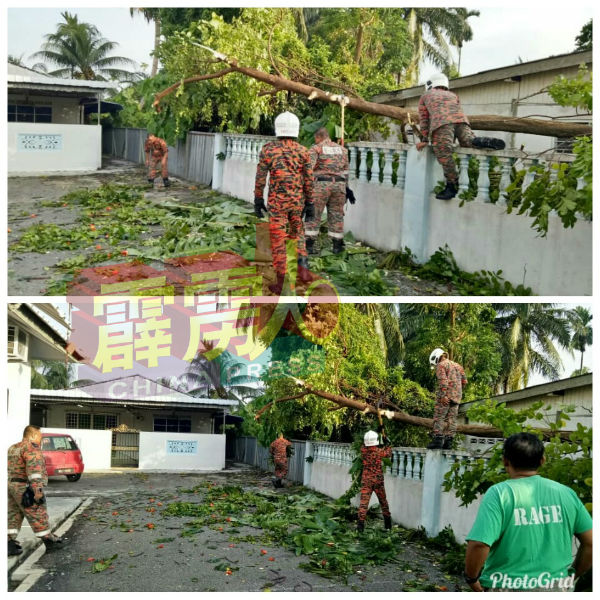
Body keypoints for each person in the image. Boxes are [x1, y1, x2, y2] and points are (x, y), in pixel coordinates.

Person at [464, 433, 593, 592]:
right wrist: (571, 576)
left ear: (505, 461)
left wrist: (471, 578)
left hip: (507, 586)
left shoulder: (499, 494)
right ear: (542, 461)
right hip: (556, 587)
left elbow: (479, 544)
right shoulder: (566, 494)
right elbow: (591, 543)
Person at [416, 73, 505, 200]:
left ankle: (452, 186)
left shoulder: (425, 96)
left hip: (442, 122)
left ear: (430, 84)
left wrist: (424, 139)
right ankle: (479, 140)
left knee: (444, 153)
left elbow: (424, 119)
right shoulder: (453, 95)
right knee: (468, 141)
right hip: (462, 121)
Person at [254, 111, 315, 294]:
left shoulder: (268, 150)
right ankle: (304, 271)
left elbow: (261, 176)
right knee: (298, 233)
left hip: (278, 204)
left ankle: (282, 281)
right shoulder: (304, 151)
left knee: (279, 240)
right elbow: (309, 179)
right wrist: (310, 202)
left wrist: (258, 198)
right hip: (297, 202)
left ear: (277, 128)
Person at [8, 425, 64, 556]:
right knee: (37, 512)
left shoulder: (13, 447)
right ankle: (49, 541)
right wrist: (37, 489)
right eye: (40, 436)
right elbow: (34, 471)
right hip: (25, 487)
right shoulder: (31, 447)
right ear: (32, 435)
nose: (41, 439)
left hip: (12, 486)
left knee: (13, 514)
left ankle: (9, 544)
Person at [304, 128, 349, 255]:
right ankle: (337, 246)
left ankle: (309, 246)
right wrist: (346, 189)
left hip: (321, 185)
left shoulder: (316, 149)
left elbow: (308, 169)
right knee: (337, 215)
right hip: (339, 185)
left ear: (318, 137)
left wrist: (305, 188)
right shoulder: (343, 150)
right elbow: (346, 172)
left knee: (314, 213)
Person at [428, 347, 467, 450]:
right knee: (452, 419)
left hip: (445, 396)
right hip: (456, 397)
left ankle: (437, 441)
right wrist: (457, 392)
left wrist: (443, 395)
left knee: (439, 417)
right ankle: (448, 443)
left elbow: (443, 382)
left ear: (436, 357)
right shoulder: (458, 366)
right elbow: (464, 382)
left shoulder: (441, 365)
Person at [357, 429, 392, 532]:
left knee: (363, 504)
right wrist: (387, 443)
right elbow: (388, 453)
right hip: (378, 481)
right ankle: (388, 525)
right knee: (383, 502)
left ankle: (360, 527)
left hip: (366, 480)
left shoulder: (363, 450)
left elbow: (364, 445)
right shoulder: (379, 452)